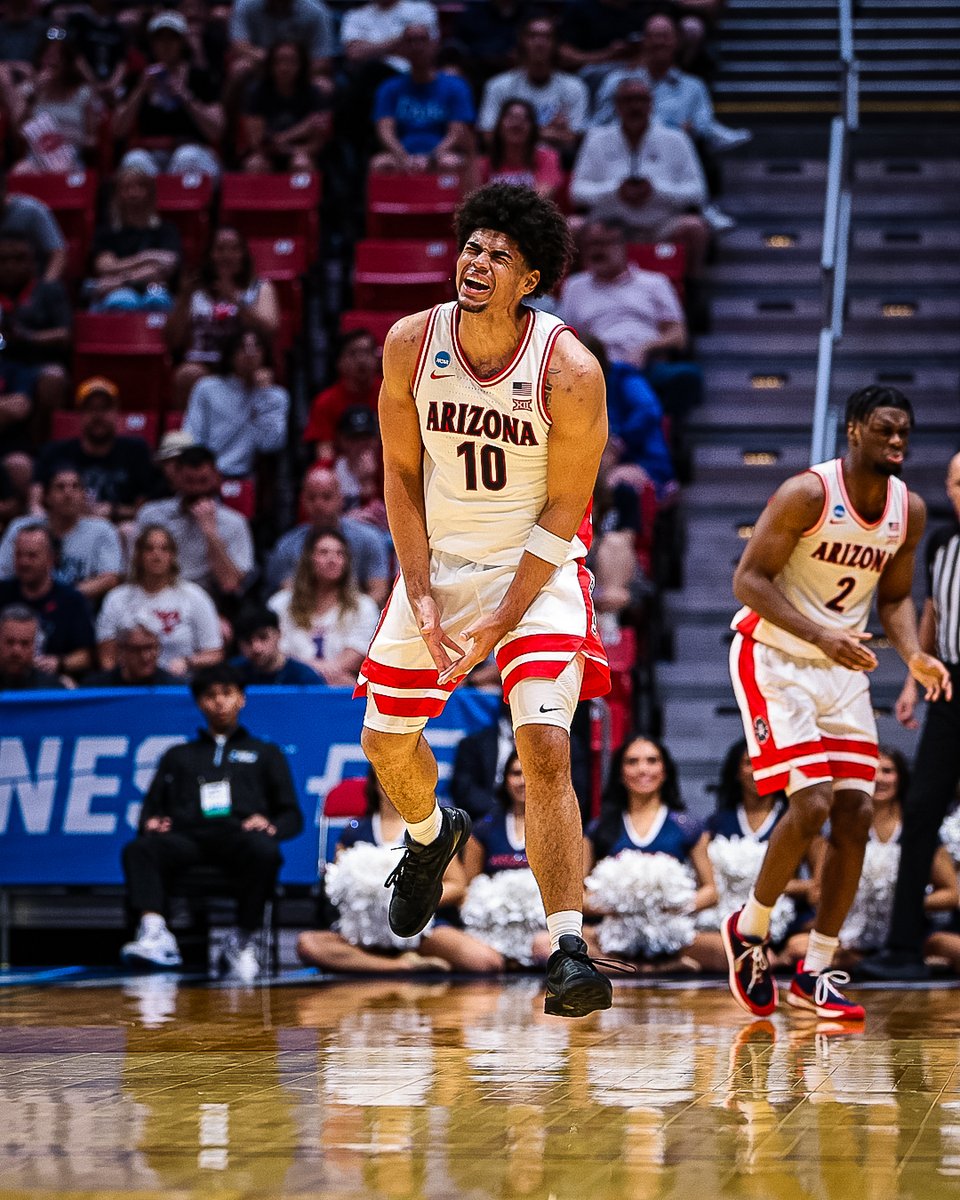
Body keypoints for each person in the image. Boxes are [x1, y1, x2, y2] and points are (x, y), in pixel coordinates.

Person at [357, 182, 612, 1018]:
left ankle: (569, 949)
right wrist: (419, 590)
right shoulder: (410, 343)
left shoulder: (569, 370)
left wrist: (502, 619)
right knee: (385, 743)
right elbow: (400, 474)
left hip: (538, 571)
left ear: (529, 280)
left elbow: (566, 508)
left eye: (500, 254)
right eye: (473, 246)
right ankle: (432, 838)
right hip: (441, 564)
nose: (478, 261)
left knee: (543, 746)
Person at [722, 385, 951, 1021]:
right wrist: (823, 635)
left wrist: (914, 655)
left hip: (841, 666)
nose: (897, 441)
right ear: (853, 429)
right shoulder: (807, 493)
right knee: (813, 802)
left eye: (904, 432)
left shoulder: (909, 510)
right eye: (884, 429)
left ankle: (816, 969)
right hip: (774, 657)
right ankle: (750, 927)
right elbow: (747, 581)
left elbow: (895, 599)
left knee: (856, 813)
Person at [120, 664, 303, 980]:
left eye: (227, 693)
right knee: (139, 849)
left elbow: (291, 815)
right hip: (188, 839)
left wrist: (271, 826)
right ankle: (155, 933)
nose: (219, 702)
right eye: (210, 695)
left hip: (238, 838)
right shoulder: (178, 755)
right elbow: (150, 811)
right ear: (199, 703)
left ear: (241, 698)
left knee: (265, 850)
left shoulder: (265, 753)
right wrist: (152, 823)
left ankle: (242, 940)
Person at [863, 450, 960, 980]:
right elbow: (932, 612)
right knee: (920, 810)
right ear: (948, 488)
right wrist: (912, 680)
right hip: (947, 682)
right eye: (959, 483)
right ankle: (902, 946)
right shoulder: (942, 542)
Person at [296, 770, 499, 973]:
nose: (393, 785)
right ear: (374, 783)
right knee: (308, 944)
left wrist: (414, 904)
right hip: (365, 931)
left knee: (486, 961)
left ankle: (386, 959)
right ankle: (402, 965)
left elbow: (457, 885)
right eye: (386, 778)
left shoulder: (431, 831)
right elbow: (337, 884)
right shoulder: (354, 831)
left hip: (420, 930)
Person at [560, 219, 702, 422]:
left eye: (605, 243)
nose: (597, 251)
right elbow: (566, 337)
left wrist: (645, 349)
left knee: (688, 376)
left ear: (624, 246)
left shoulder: (654, 283)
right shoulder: (575, 286)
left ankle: (660, 428)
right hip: (598, 370)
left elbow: (678, 336)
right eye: (591, 244)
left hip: (647, 365)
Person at [570, 76, 709, 277]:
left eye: (641, 100)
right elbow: (577, 192)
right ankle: (575, 286)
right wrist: (616, 191)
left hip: (661, 225)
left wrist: (656, 190)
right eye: (628, 100)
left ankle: (691, 287)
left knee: (694, 227)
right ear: (617, 105)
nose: (635, 106)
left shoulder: (676, 139)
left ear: (651, 104)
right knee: (573, 226)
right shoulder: (596, 139)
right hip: (607, 226)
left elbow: (697, 192)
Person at [166, 226, 280, 410]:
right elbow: (173, 340)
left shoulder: (260, 288)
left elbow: (269, 329)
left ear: (243, 254)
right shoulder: (194, 291)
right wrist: (184, 299)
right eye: (220, 249)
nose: (227, 255)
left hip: (243, 365)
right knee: (187, 374)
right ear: (209, 254)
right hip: (202, 363)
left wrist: (235, 300)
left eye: (234, 249)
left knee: (260, 377)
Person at [96, 523, 223, 677]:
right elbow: (107, 658)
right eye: (149, 549)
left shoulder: (194, 596)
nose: (157, 555)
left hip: (180, 683)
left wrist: (188, 661)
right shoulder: (117, 598)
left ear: (172, 556)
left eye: (164, 549)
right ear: (138, 555)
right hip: (130, 684)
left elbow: (215, 654)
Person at [136, 444, 255, 602]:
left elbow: (230, 584)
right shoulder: (151, 514)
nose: (197, 489)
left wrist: (210, 532)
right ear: (177, 478)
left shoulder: (234, 523)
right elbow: (136, 571)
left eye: (203, 481)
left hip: (211, 601)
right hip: (157, 595)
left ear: (216, 478)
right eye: (190, 481)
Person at [114, 11, 223, 179]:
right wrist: (140, 91)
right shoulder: (137, 79)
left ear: (182, 42)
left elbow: (216, 130)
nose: (166, 44)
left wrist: (185, 96)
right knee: (134, 161)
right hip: (151, 153)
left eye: (172, 38)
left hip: (192, 150)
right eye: (160, 39)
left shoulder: (200, 78)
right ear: (152, 43)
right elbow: (118, 130)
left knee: (186, 157)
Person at [32, 377, 156, 520]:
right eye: (91, 409)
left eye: (105, 408)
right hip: (66, 524)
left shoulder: (136, 450)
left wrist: (114, 511)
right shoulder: (55, 452)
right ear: (79, 415)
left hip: (120, 525)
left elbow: (147, 509)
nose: (98, 415)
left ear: (116, 412)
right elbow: (35, 503)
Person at [268, 526, 379, 685]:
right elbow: (276, 653)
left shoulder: (364, 606)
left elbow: (357, 652)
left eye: (340, 554)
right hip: (290, 685)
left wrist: (317, 673)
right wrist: (316, 674)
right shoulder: (279, 604)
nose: (332, 560)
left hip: (342, 687)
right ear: (308, 559)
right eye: (323, 552)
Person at [266, 466, 391, 602]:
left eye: (327, 497)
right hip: (305, 613)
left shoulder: (369, 539)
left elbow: (379, 590)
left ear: (340, 498)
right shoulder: (287, 546)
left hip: (357, 612)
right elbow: (287, 595)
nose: (318, 504)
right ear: (302, 500)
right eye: (312, 497)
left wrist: (353, 612)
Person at [0, 467, 122, 602]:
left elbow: (110, 578)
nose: (68, 494)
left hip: (77, 607)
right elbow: (3, 572)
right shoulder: (21, 528)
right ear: (47, 496)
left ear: (83, 495)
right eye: (60, 487)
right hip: (24, 606)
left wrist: (62, 598)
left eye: (75, 487)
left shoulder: (102, 530)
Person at [477, 17, 589, 162]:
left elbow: (575, 138)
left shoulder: (575, 87)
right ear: (521, 42)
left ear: (557, 44)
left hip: (559, 163)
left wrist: (516, 131)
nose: (539, 42)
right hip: (510, 163)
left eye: (547, 37)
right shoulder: (498, 86)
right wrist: (550, 132)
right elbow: (488, 135)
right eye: (532, 36)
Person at [369, 25, 475, 178]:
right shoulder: (389, 88)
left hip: (441, 154)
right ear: (402, 48)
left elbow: (457, 132)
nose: (416, 46)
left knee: (449, 163)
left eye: (422, 40)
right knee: (379, 163)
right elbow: (385, 130)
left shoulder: (456, 86)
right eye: (410, 41)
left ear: (434, 44)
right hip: (402, 154)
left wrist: (431, 158)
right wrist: (403, 157)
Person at [182, 328, 289, 479]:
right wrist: (200, 468)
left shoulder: (276, 397)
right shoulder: (206, 388)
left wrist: (264, 397)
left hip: (247, 476)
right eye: (242, 347)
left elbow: (270, 444)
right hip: (206, 473)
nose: (250, 353)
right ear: (230, 354)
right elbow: (192, 434)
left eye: (256, 347)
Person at [0, 230, 71, 445]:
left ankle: (39, 447)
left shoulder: (49, 291)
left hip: (37, 363)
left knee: (53, 378)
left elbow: (64, 334)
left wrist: (27, 337)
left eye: (18, 259)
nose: (10, 266)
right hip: (3, 363)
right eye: (4, 260)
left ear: (32, 262)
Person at [0, 523, 95, 676]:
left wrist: (60, 663)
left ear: (51, 559)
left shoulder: (71, 600)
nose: (24, 562)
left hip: (52, 681)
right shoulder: (2, 592)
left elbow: (86, 656)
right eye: (19, 555)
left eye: (32, 556)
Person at [85, 165, 181, 312]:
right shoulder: (107, 232)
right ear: (117, 194)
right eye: (126, 188)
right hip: (118, 293)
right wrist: (147, 258)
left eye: (139, 187)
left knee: (157, 299)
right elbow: (105, 267)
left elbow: (168, 264)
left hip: (151, 289)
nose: (133, 193)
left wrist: (121, 279)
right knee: (123, 300)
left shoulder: (166, 230)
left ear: (150, 193)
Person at [7, 30, 99, 174]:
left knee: (62, 169)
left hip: (70, 158)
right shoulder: (29, 90)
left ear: (67, 62)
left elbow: (93, 140)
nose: (52, 60)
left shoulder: (83, 93)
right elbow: (16, 131)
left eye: (58, 55)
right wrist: (34, 94)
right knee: (19, 171)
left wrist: (72, 137)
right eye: (48, 55)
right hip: (36, 158)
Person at [241, 38, 331, 174]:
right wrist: (302, 129)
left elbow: (317, 143)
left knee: (301, 163)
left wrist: (290, 148)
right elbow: (256, 142)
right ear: (270, 65)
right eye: (279, 61)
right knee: (255, 164)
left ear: (301, 65)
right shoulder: (257, 93)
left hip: (301, 152)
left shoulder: (314, 93)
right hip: (267, 153)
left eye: (291, 61)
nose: (284, 67)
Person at [303, 328, 381, 465]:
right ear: (339, 361)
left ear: (377, 358)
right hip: (343, 470)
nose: (361, 360)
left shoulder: (393, 394)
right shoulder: (326, 402)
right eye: (353, 353)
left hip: (387, 467)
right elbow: (325, 454)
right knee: (320, 476)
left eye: (367, 352)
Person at [479, 98, 564, 201]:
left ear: (533, 128)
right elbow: (474, 198)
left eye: (524, 119)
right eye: (511, 117)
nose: (517, 123)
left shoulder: (548, 157)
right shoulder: (483, 164)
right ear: (499, 126)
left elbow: (542, 197)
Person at [0, 168, 67, 282]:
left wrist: (46, 285)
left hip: (33, 282)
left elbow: (58, 253)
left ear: (4, 190)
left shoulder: (32, 211)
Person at [230, 604, 322, 685]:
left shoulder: (305, 678)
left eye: (263, 637)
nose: (256, 648)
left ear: (279, 634)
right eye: (247, 641)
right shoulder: (231, 674)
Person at [84, 611, 180, 687]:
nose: (145, 656)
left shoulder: (174, 688)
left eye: (150, 648)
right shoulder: (96, 688)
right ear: (121, 651)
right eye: (136, 650)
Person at [0, 602, 67, 689]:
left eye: (25, 643)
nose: (16, 651)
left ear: (35, 646)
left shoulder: (52, 688)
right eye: (10, 642)